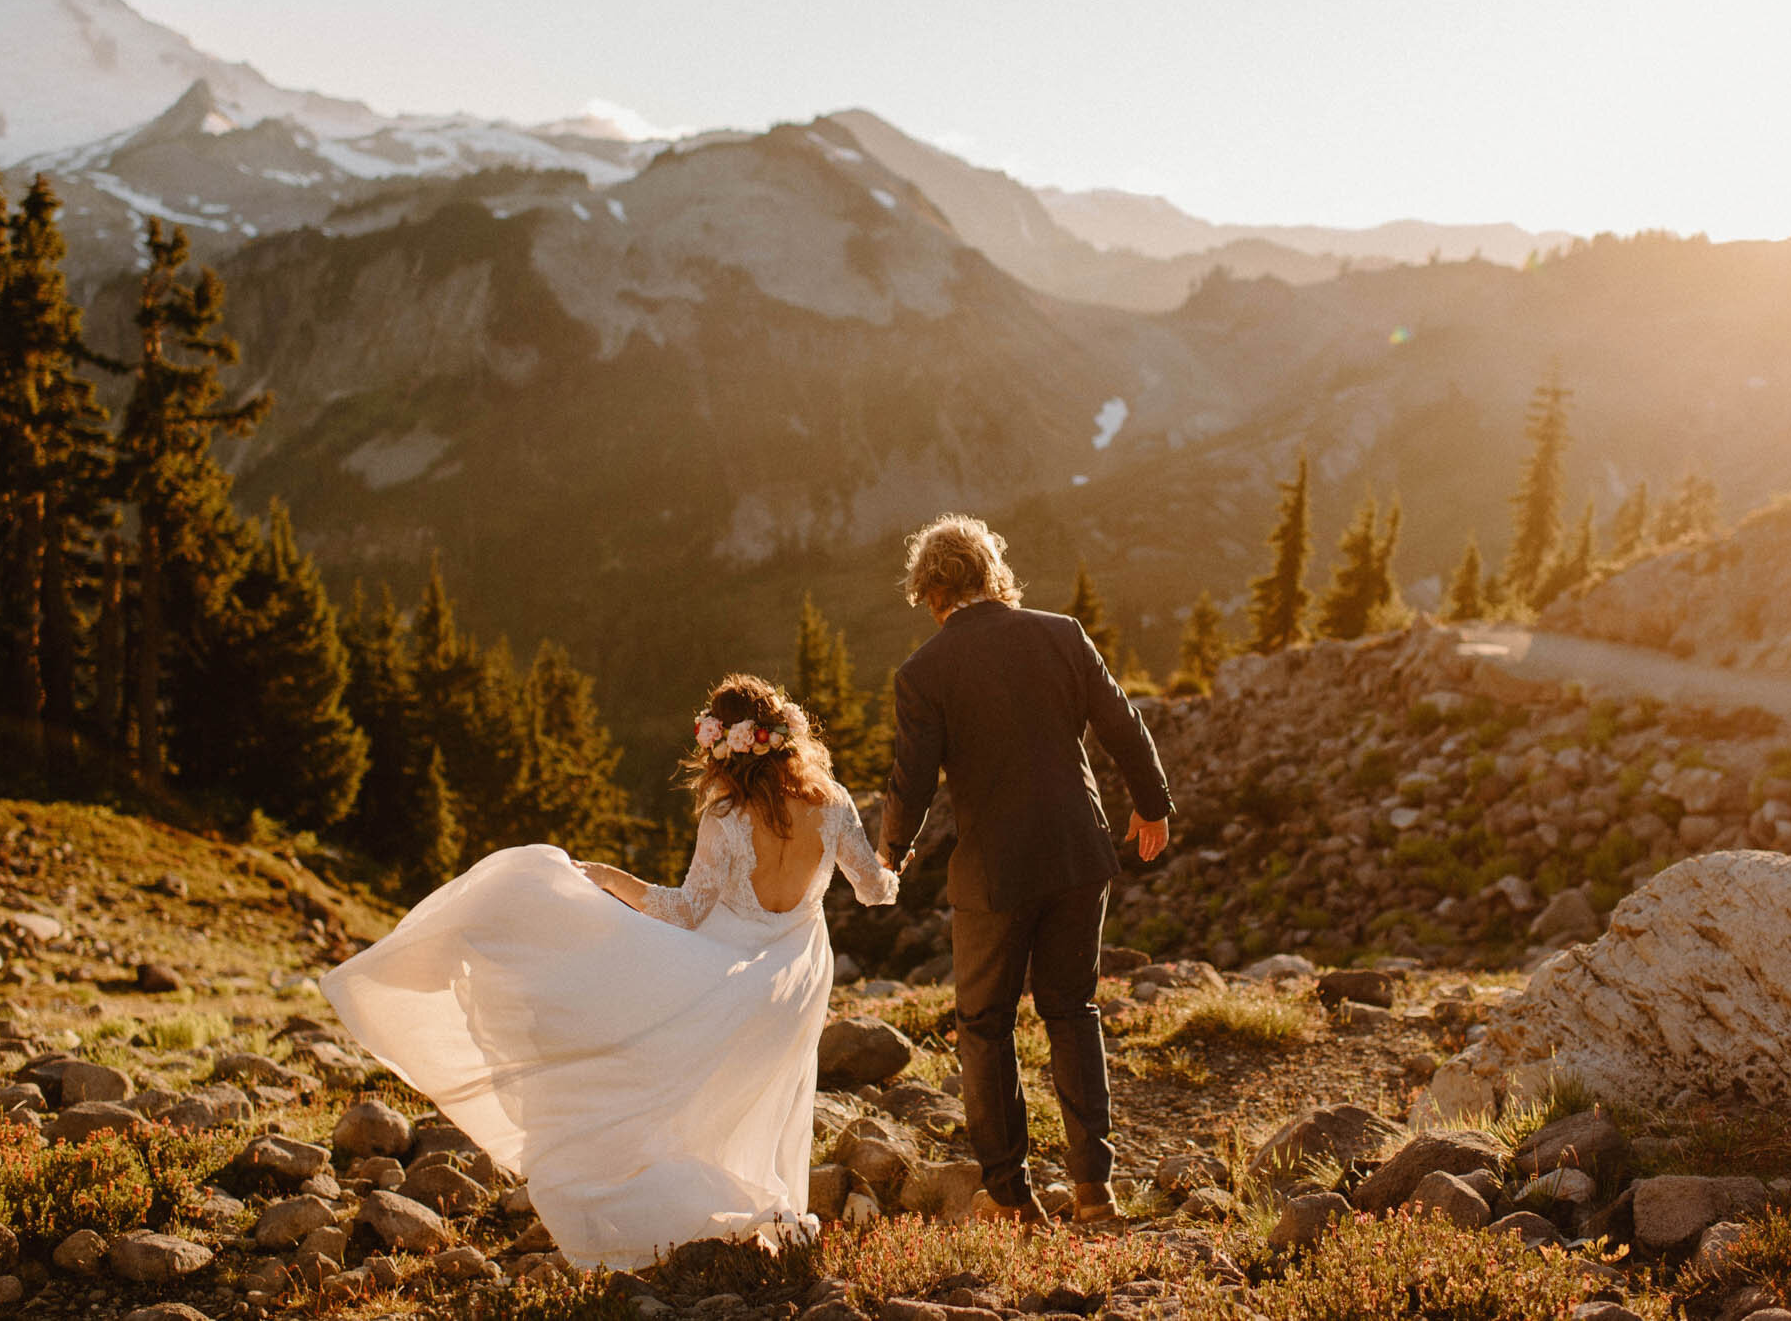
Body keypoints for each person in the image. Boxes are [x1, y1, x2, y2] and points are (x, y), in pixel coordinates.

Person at [320, 673, 898, 1271]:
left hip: (726, 972)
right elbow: (876, 892)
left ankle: (709, 1212)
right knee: (774, 1093)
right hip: (796, 979)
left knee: (688, 1086)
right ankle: (770, 1219)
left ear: (722, 747)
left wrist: (606, 878)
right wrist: (895, 863)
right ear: (784, 734)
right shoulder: (833, 803)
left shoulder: (726, 817)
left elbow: (685, 910)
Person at [880, 514, 1174, 1226]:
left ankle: (1012, 1196)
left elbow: (912, 780)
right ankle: (1093, 1188)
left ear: (932, 590)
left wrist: (892, 848)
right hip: (1079, 850)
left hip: (996, 871)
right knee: (1072, 1009)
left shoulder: (924, 672)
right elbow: (1122, 723)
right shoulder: (1062, 633)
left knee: (984, 1024)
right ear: (991, 573)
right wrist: (1152, 804)